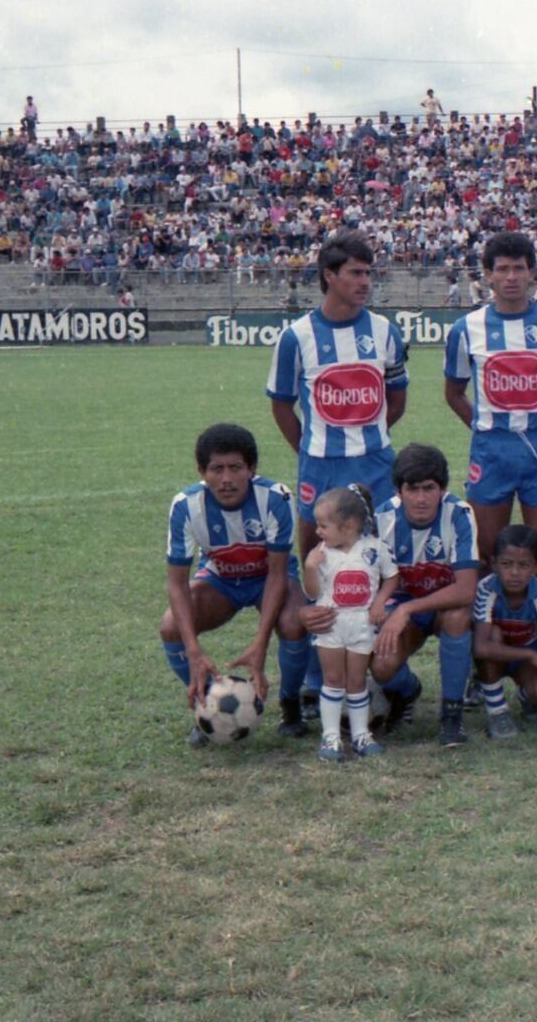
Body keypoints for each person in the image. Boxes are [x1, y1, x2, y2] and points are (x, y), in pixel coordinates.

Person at [160, 424, 308, 747]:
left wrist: (259, 644)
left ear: (251, 469)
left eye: (235, 468)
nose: (226, 479)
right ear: (202, 471)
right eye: (216, 469)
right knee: (171, 626)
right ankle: (208, 704)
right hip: (221, 579)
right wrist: (194, 651)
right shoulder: (186, 505)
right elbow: (177, 584)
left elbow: (278, 575)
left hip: (266, 577)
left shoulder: (276, 498)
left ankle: (290, 703)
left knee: (295, 622)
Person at [268, 228, 408, 556]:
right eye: (355, 273)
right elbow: (281, 407)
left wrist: (370, 434)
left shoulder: (385, 332)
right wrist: (310, 446)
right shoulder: (296, 337)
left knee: (384, 556)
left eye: (368, 273)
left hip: (376, 462)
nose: (365, 282)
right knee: (317, 559)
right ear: (329, 276)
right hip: (320, 464)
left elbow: (397, 399)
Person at [444, 231, 537, 573]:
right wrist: (484, 424)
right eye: (502, 269)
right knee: (487, 552)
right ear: (488, 274)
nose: (511, 277)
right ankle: (491, 625)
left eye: (519, 268)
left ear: (532, 273)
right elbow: (454, 392)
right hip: (491, 448)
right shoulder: (466, 328)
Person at [358, 443, 481, 747]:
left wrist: (408, 609)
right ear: (399, 490)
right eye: (413, 489)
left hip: (442, 605)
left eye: (429, 488)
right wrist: (391, 611)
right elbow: (370, 585)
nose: (422, 498)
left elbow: (465, 589)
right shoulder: (381, 520)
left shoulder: (460, 514)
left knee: (457, 617)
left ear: (442, 489)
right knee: (383, 665)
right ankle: (407, 690)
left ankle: (452, 714)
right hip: (402, 606)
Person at [301, 487, 399, 761]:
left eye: (323, 526)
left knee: (357, 681)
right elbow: (311, 592)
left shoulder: (374, 549)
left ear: (349, 526)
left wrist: (380, 602)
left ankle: (360, 735)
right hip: (331, 626)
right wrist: (309, 568)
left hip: (362, 625)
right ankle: (331, 737)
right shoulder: (321, 553)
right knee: (333, 681)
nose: (318, 531)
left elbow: (392, 577)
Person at [474, 525, 537, 746]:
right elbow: (480, 647)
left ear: (536, 566)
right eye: (506, 564)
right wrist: (529, 654)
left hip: (528, 663)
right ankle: (497, 711)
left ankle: (527, 696)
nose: (514, 572)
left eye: (523, 565)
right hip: (497, 656)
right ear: (494, 564)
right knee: (493, 634)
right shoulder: (485, 589)